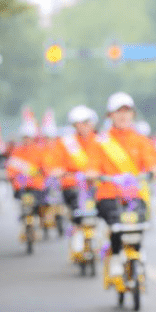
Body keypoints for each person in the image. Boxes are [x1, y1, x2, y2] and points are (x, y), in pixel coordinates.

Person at [96, 91, 156, 277]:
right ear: (110, 115)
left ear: (132, 114)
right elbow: (92, 166)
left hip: (134, 195)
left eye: (127, 111)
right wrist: (92, 173)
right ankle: (116, 255)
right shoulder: (101, 141)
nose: (123, 115)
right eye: (118, 111)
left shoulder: (141, 140)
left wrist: (155, 170)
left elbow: (152, 162)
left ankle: (137, 252)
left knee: (139, 222)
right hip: (109, 195)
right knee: (117, 222)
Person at [45, 105, 102, 254]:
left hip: (96, 186)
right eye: (79, 123)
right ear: (74, 125)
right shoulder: (66, 143)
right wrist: (57, 171)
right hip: (72, 187)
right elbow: (53, 163)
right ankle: (77, 232)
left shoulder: (101, 141)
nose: (83, 126)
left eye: (86, 122)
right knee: (76, 209)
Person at [6, 118, 47, 222]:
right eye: (25, 137)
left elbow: (46, 168)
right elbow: (11, 168)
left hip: (37, 186)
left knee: (41, 204)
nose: (26, 140)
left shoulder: (39, 150)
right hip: (21, 186)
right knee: (23, 202)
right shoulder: (17, 151)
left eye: (28, 137)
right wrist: (11, 176)